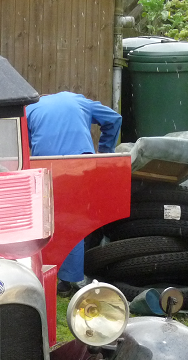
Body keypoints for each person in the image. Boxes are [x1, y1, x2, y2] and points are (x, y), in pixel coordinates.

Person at [25, 91, 122, 296]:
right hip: (80, 165)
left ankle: (40, 274)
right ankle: (69, 280)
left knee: (44, 220)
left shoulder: (30, 109)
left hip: (45, 167)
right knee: (75, 221)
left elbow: (25, 145)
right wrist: (105, 151)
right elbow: (114, 119)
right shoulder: (78, 101)